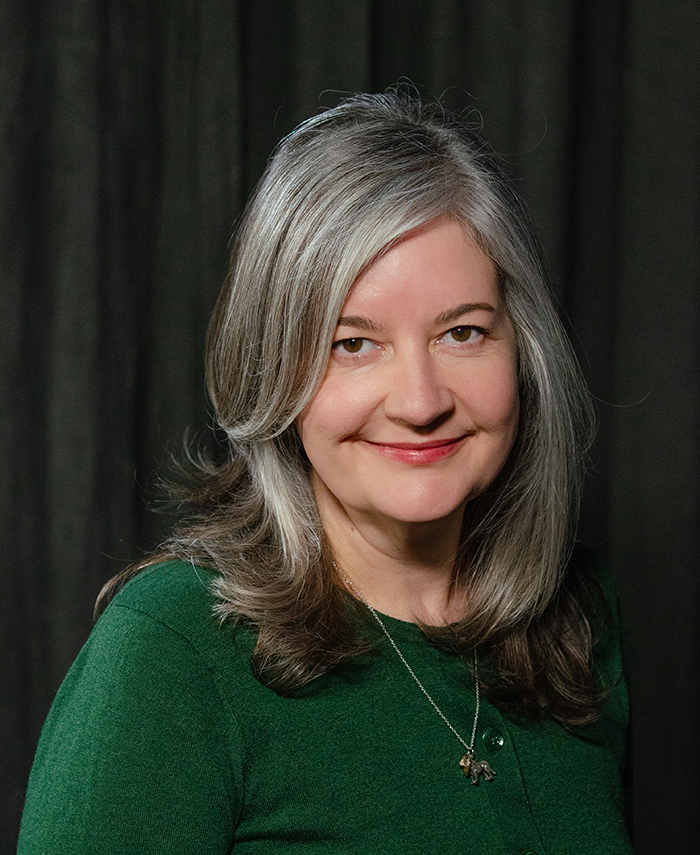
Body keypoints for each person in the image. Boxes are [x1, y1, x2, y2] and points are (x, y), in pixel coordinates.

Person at [18, 92, 632, 854]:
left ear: (523, 349)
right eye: (353, 344)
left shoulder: (578, 620)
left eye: (463, 332)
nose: (421, 401)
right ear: (277, 368)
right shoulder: (173, 651)